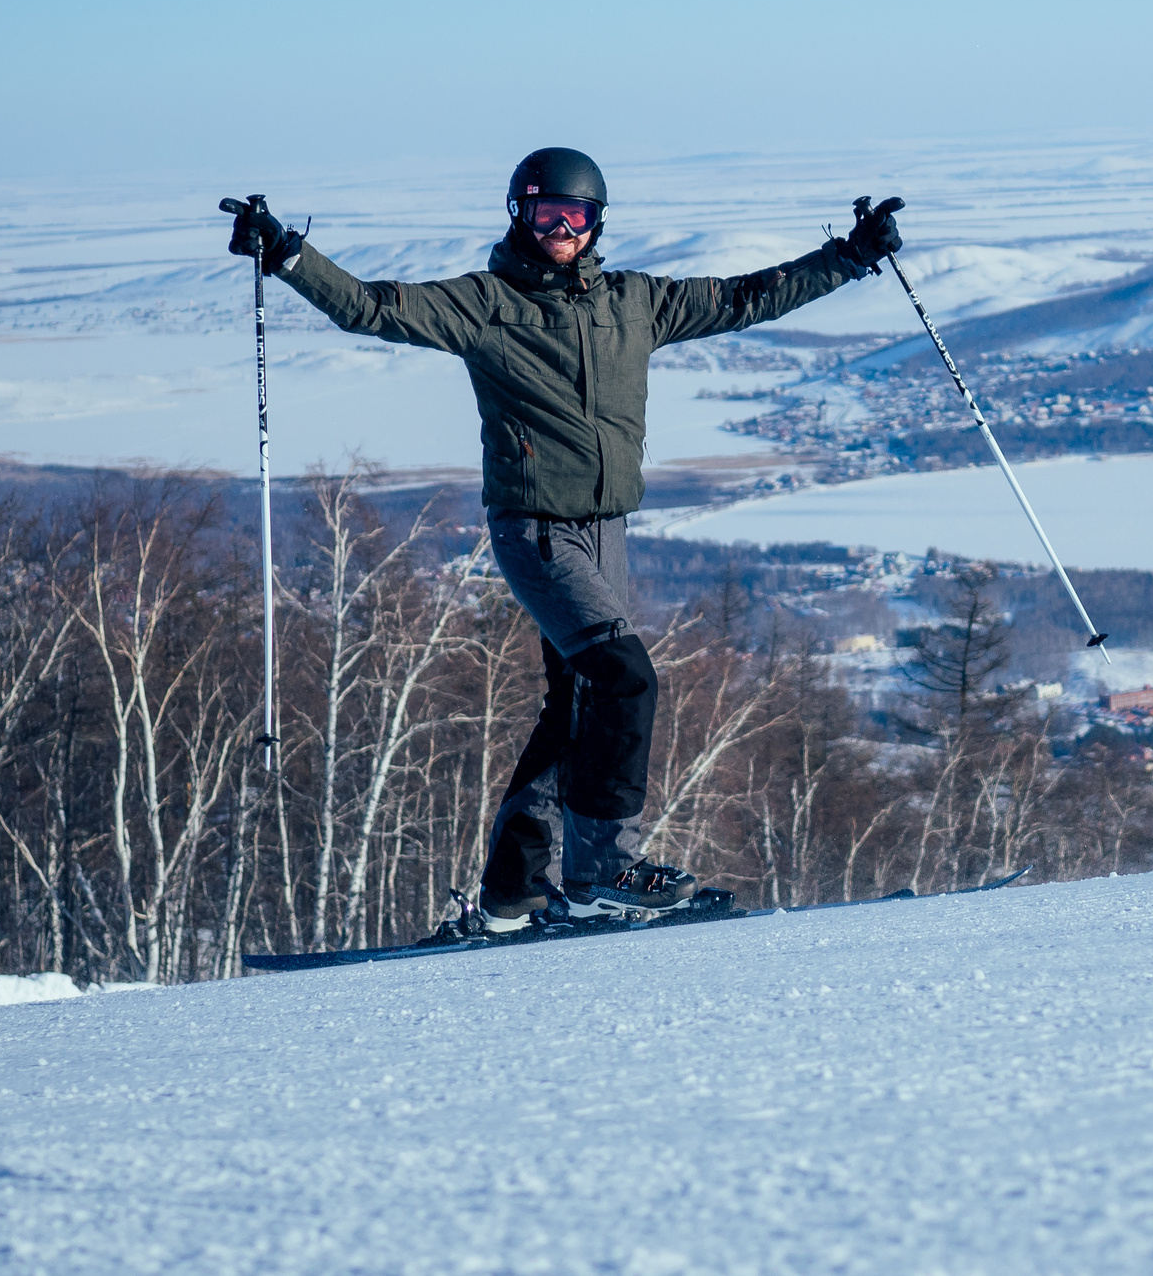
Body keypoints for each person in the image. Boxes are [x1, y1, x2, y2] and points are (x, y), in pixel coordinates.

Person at [227, 149, 902, 929]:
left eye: (574, 215)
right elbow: (375, 307)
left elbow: (749, 297)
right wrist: (288, 255)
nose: (559, 228)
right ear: (520, 213)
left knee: (576, 704)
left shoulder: (635, 302)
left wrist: (851, 257)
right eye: (545, 212)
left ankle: (512, 891)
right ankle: (599, 872)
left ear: (595, 222)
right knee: (623, 680)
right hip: (536, 531)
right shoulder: (486, 304)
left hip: (605, 527)